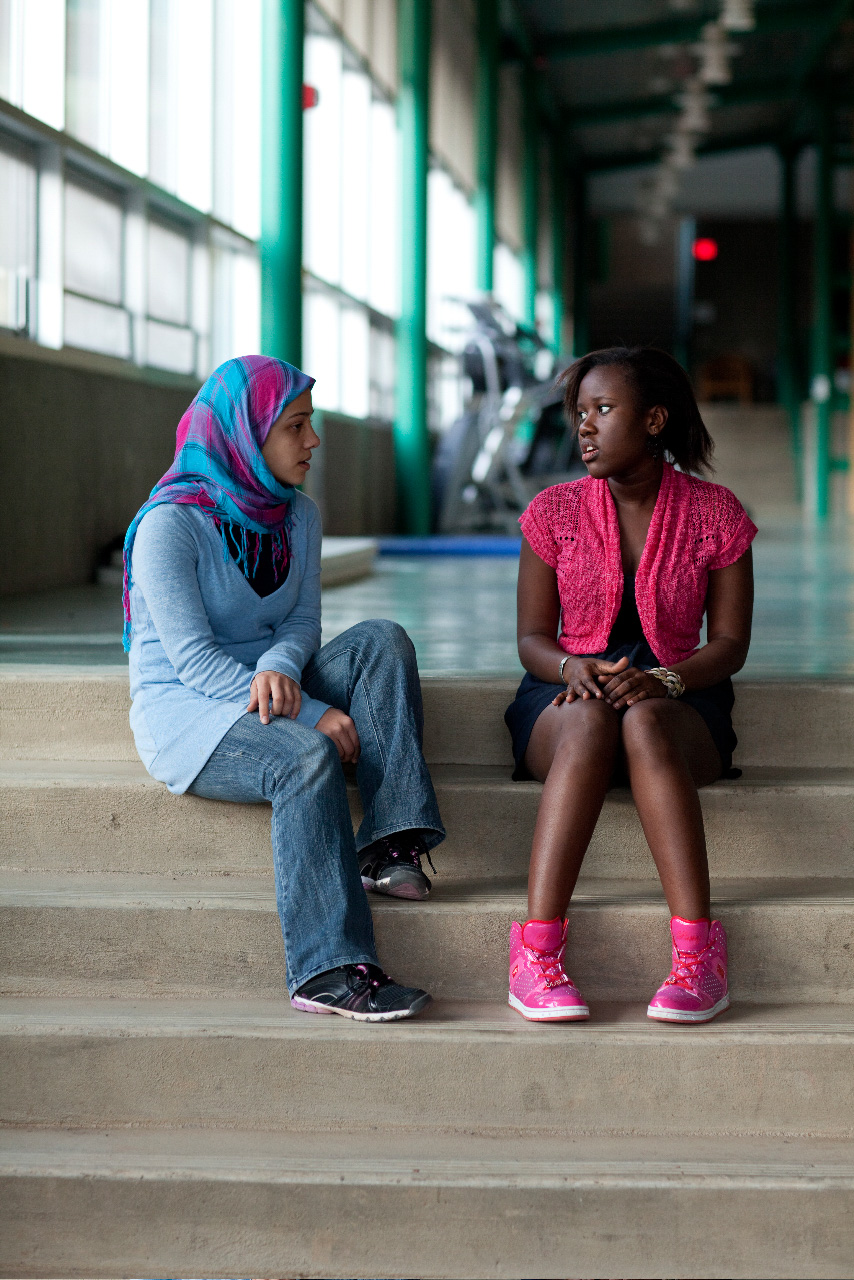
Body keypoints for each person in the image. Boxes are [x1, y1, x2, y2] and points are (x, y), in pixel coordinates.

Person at [123, 354, 444, 1022]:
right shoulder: (169, 526)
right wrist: (319, 712)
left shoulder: (297, 515)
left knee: (381, 639)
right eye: (295, 426)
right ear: (247, 434)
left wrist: (281, 669)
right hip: (191, 711)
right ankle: (326, 970)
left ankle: (387, 843)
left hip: (275, 683)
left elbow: (301, 621)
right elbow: (192, 664)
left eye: (311, 423)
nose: (313, 441)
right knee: (305, 758)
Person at [504, 346, 756, 1025]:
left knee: (642, 720)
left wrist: (665, 680)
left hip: (682, 696)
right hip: (565, 696)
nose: (584, 427)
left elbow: (730, 645)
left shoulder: (718, 513)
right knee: (590, 718)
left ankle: (698, 957)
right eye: (579, 412)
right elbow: (531, 639)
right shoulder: (551, 513)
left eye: (603, 410)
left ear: (653, 420)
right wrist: (570, 667)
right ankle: (535, 954)